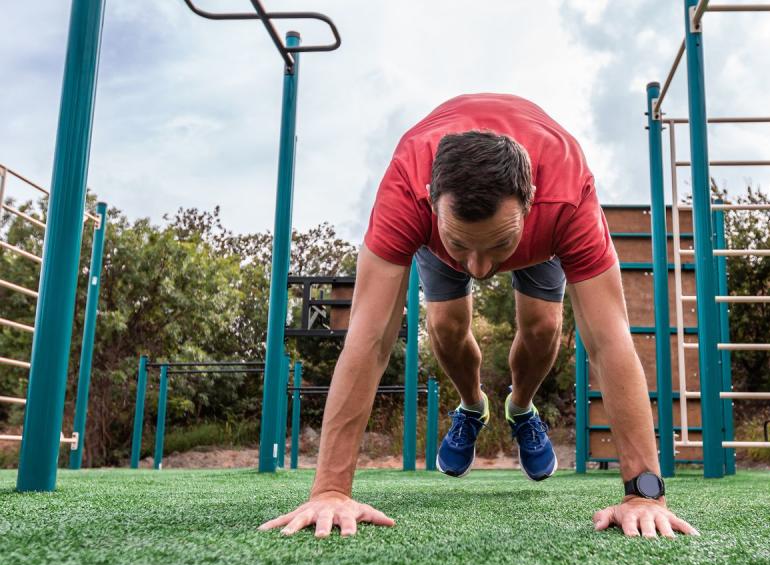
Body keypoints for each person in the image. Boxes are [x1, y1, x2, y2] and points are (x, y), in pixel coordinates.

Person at [259, 94, 699, 539]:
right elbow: (369, 338)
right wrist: (330, 491)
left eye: (496, 249)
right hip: (444, 237)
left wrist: (645, 494)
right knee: (447, 326)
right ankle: (472, 407)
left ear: (531, 202)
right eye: (464, 248)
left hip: (532, 238)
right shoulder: (407, 188)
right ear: (431, 201)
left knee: (544, 327)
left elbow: (609, 340)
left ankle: (521, 408)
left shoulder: (566, 195)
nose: (480, 269)